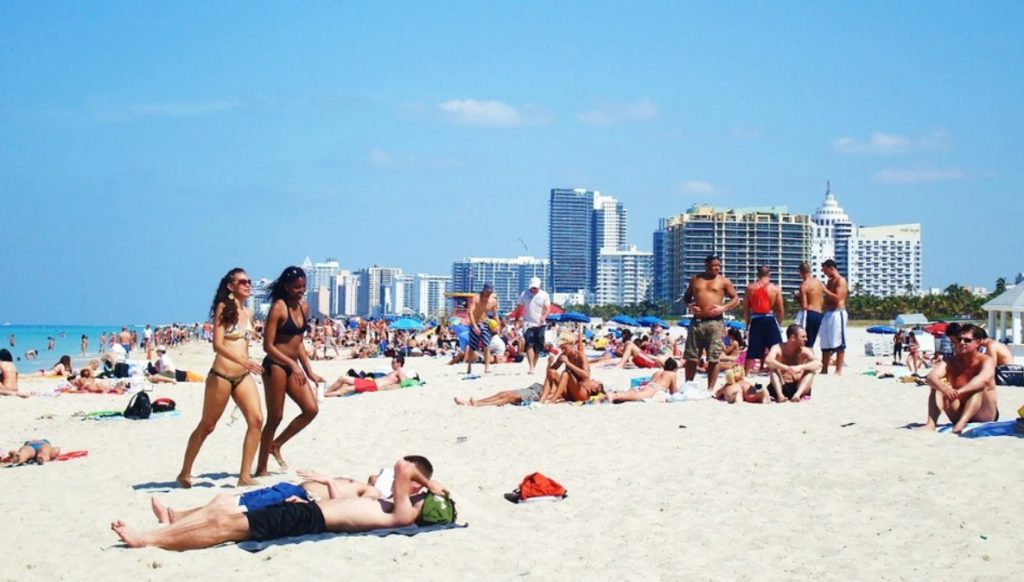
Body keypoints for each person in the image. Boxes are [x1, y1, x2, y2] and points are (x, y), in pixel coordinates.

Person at [112, 458, 447, 551]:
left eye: (422, 497)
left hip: (307, 519)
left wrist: (431, 485)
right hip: (305, 512)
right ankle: (167, 528)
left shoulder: (403, 515)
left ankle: (149, 540)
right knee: (223, 514)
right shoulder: (395, 507)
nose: (417, 494)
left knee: (226, 526)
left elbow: (403, 467)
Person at [177, 268, 265, 489]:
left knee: (256, 420)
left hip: (243, 376)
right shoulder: (224, 308)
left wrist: (249, 362)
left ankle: (244, 476)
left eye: (249, 281)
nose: (248, 284)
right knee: (207, 425)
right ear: (230, 286)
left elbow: (242, 344)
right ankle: (184, 472)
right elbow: (217, 345)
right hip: (222, 376)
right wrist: (245, 361)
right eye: (242, 281)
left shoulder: (249, 313)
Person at [153, 456, 437, 524]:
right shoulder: (373, 487)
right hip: (296, 489)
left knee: (236, 506)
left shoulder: (376, 497)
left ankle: (179, 518)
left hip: (304, 497)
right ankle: (179, 515)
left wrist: (327, 482)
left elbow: (338, 506)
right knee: (234, 500)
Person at [258, 266, 323, 477]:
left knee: (311, 409)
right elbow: (267, 346)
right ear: (286, 287)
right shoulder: (279, 307)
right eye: (297, 287)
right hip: (275, 365)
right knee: (275, 416)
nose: (301, 290)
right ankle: (261, 467)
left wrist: (309, 371)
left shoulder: (304, 308)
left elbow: (299, 344)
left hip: (293, 366)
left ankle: (276, 445)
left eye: (303, 286)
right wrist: (292, 364)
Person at [920, 324, 999, 434]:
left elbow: (983, 380)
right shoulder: (950, 361)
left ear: (977, 343)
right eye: (959, 339)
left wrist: (958, 391)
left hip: (984, 413)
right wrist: (944, 388)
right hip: (958, 409)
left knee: (979, 387)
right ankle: (931, 424)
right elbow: (930, 377)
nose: (962, 343)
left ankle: (962, 423)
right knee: (936, 386)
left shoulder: (986, 360)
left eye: (967, 340)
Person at [681, 255, 740, 390]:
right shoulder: (696, 279)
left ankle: (710, 389)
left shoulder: (724, 281)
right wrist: (690, 306)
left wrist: (723, 308)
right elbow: (686, 296)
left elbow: (735, 298)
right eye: (714, 265)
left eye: (719, 265)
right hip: (696, 322)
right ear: (706, 265)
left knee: (713, 357)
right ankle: (688, 385)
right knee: (691, 356)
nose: (717, 268)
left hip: (715, 322)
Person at [743, 266, 784, 373]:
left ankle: (746, 373)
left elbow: (746, 309)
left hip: (756, 319)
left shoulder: (750, 288)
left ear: (758, 274)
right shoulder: (775, 289)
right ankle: (779, 371)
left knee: (752, 349)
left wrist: (747, 326)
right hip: (770, 319)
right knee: (776, 347)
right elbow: (780, 310)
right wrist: (778, 323)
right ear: (769, 274)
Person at [764, 324, 820, 402]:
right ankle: (780, 396)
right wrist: (786, 368)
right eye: (803, 337)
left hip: (798, 386)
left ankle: (797, 395)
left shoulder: (804, 351)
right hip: (781, 385)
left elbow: (818, 363)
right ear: (793, 337)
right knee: (773, 369)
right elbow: (768, 360)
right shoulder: (778, 348)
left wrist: (800, 367)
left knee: (811, 371)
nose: (806, 339)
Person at [819, 259, 848, 375]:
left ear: (831, 268)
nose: (824, 273)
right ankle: (824, 368)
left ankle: (838, 370)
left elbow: (837, 298)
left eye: (825, 270)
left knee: (839, 342)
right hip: (828, 313)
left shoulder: (841, 280)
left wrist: (825, 290)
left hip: (838, 312)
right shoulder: (829, 281)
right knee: (825, 342)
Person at [324, 356, 408, 397]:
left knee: (346, 389)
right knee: (342, 378)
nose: (391, 363)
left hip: (373, 385)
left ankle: (325, 394)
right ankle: (326, 391)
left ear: (399, 363)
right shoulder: (394, 372)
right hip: (371, 382)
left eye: (393, 362)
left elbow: (404, 383)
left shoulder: (400, 370)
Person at [516, 276, 550, 374]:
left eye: (535, 288)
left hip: (540, 324)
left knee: (538, 347)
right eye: (532, 287)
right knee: (529, 344)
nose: (533, 289)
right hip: (528, 323)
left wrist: (544, 316)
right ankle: (531, 367)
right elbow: (519, 308)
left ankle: (534, 364)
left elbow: (547, 308)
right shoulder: (524, 294)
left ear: (539, 286)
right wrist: (517, 320)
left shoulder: (544, 295)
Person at [607, 358, 680, 403]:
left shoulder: (657, 373)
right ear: (675, 369)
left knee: (629, 393)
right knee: (634, 397)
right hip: (654, 389)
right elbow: (673, 391)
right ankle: (613, 396)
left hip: (647, 386)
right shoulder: (672, 374)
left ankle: (613, 395)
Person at [465, 283, 499, 375]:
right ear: (484, 290)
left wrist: (498, 326)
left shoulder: (493, 301)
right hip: (475, 323)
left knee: (486, 345)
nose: (488, 294)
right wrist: (474, 326)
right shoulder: (476, 298)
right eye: (487, 292)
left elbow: (495, 314)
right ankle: (469, 366)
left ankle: (487, 367)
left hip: (485, 323)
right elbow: (470, 312)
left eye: (490, 292)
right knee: (472, 347)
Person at [794, 262, 824, 348]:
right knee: (811, 341)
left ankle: (808, 360)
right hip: (819, 313)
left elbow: (804, 306)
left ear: (800, 272)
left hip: (809, 314)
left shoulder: (804, 285)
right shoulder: (818, 283)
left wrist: (797, 298)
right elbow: (822, 300)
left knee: (805, 343)